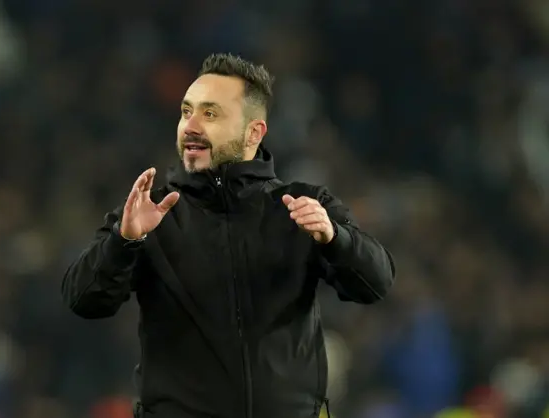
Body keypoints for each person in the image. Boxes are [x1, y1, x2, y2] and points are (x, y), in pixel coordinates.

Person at [62, 53, 396, 418]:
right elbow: (83, 300)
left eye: (210, 114)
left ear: (254, 132)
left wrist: (336, 239)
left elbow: (375, 283)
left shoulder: (302, 206)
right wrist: (123, 242)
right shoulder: (151, 213)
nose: (190, 126)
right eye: (186, 111)